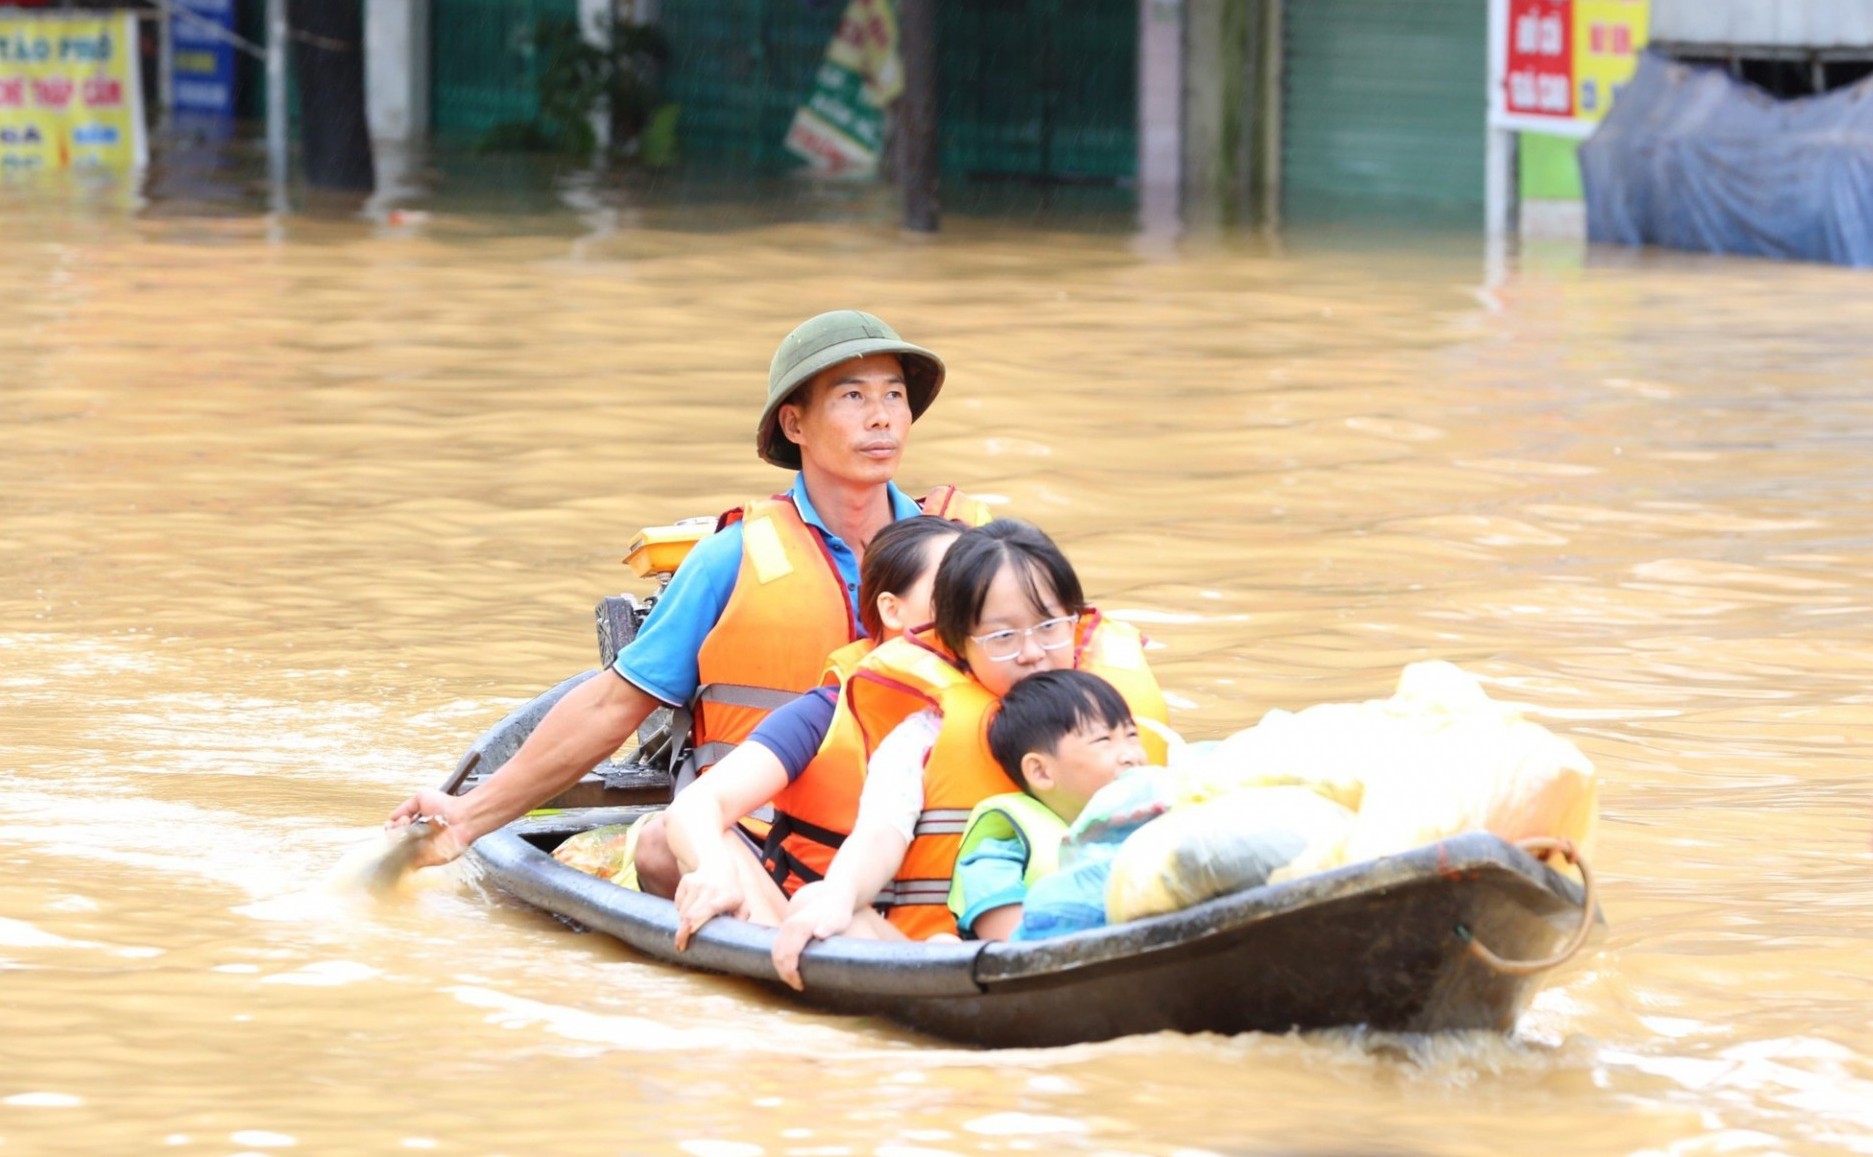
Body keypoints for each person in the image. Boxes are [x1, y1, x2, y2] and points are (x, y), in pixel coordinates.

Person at [386, 311, 985, 869]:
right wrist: (467, 818)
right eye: (853, 396)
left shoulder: (966, 550)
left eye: (894, 396)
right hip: (768, 840)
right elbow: (610, 707)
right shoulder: (731, 558)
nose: (881, 416)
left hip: (933, 833)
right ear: (794, 422)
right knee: (658, 848)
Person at [768, 518, 1171, 989]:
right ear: (958, 641)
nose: (1032, 653)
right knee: (819, 904)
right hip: (942, 960)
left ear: (1074, 621)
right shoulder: (920, 736)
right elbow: (880, 834)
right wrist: (838, 894)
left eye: (1049, 627)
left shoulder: (1118, 722)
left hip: (1102, 933)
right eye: (1003, 637)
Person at [664, 514, 964, 949]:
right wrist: (712, 869)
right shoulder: (824, 713)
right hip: (820, 924)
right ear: (891, 609)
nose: (972, 604)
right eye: (951, 591)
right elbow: (695, 806)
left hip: (962, 931)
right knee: (714, 839)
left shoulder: (1008, 701)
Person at [946, 669, 1148, 941]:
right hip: (1065, 972)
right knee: (942, 944)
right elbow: (1017, 948)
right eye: (1103, 740)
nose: (1131, 756)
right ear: (1041, 772)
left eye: (1132, 735)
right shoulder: (996, 856)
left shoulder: (1156, 823)